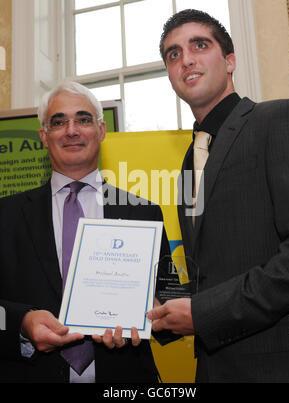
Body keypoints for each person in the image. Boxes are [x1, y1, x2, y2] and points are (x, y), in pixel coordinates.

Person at [147, 9, 289, 383]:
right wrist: (156, 313)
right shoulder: (189, 161)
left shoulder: (277, 120)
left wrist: (205, 313)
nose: (186, 59)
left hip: (276, 364)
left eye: (200, 45)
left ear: (230, 61)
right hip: (214, 368)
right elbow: (207, 271)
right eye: (173, 54)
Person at [0, 81, 173, 383]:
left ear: (101, 130)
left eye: (83, 119)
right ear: (43, 136)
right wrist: (22, 323)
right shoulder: (6, 215)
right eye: (58, 122)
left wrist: (153, 314)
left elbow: (171, 302)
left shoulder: (144, 212)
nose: (71, 130)